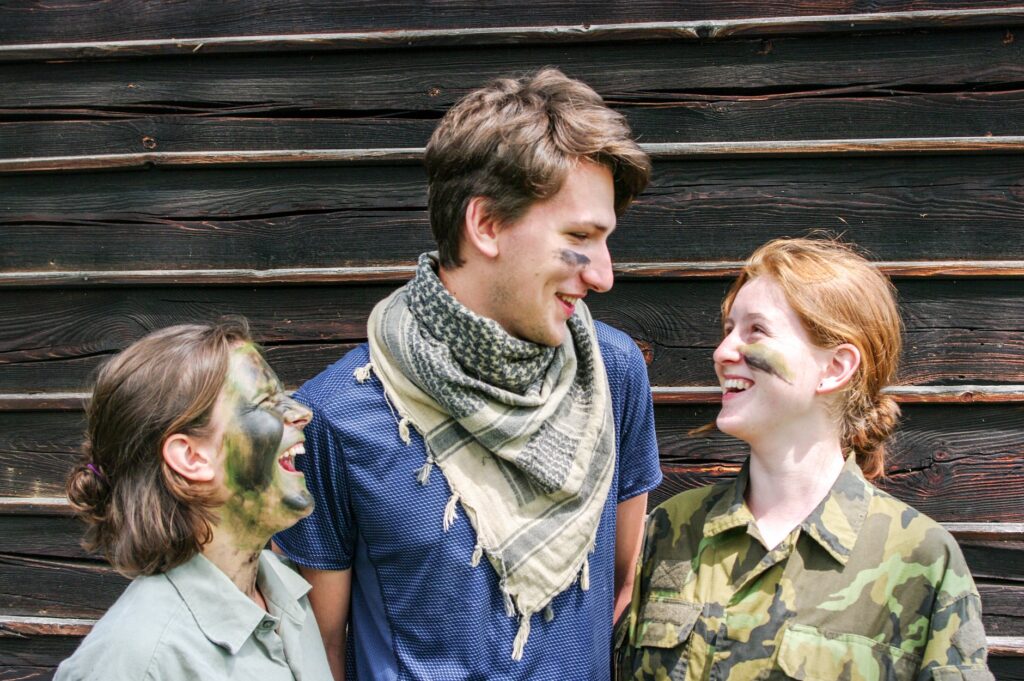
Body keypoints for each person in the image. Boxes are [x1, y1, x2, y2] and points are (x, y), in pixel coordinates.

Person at [273, 67, 662, 680]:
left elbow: (621, 583)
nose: (603, 275)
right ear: (486, 225)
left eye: (605, 239)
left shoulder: (613, 375)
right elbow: (321, 652)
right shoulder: (335, 417)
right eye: (579, 236)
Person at [616, 238, 993, 680]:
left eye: (756, 330)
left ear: (835, 367)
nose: (721, 353)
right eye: (729, 329)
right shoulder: (673, 528)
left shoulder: (919, 558)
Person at [55, 321, 333, 681]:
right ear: (190, 457)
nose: (302, 413)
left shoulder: (284, 587)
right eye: (265, 402)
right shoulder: (134, 660)